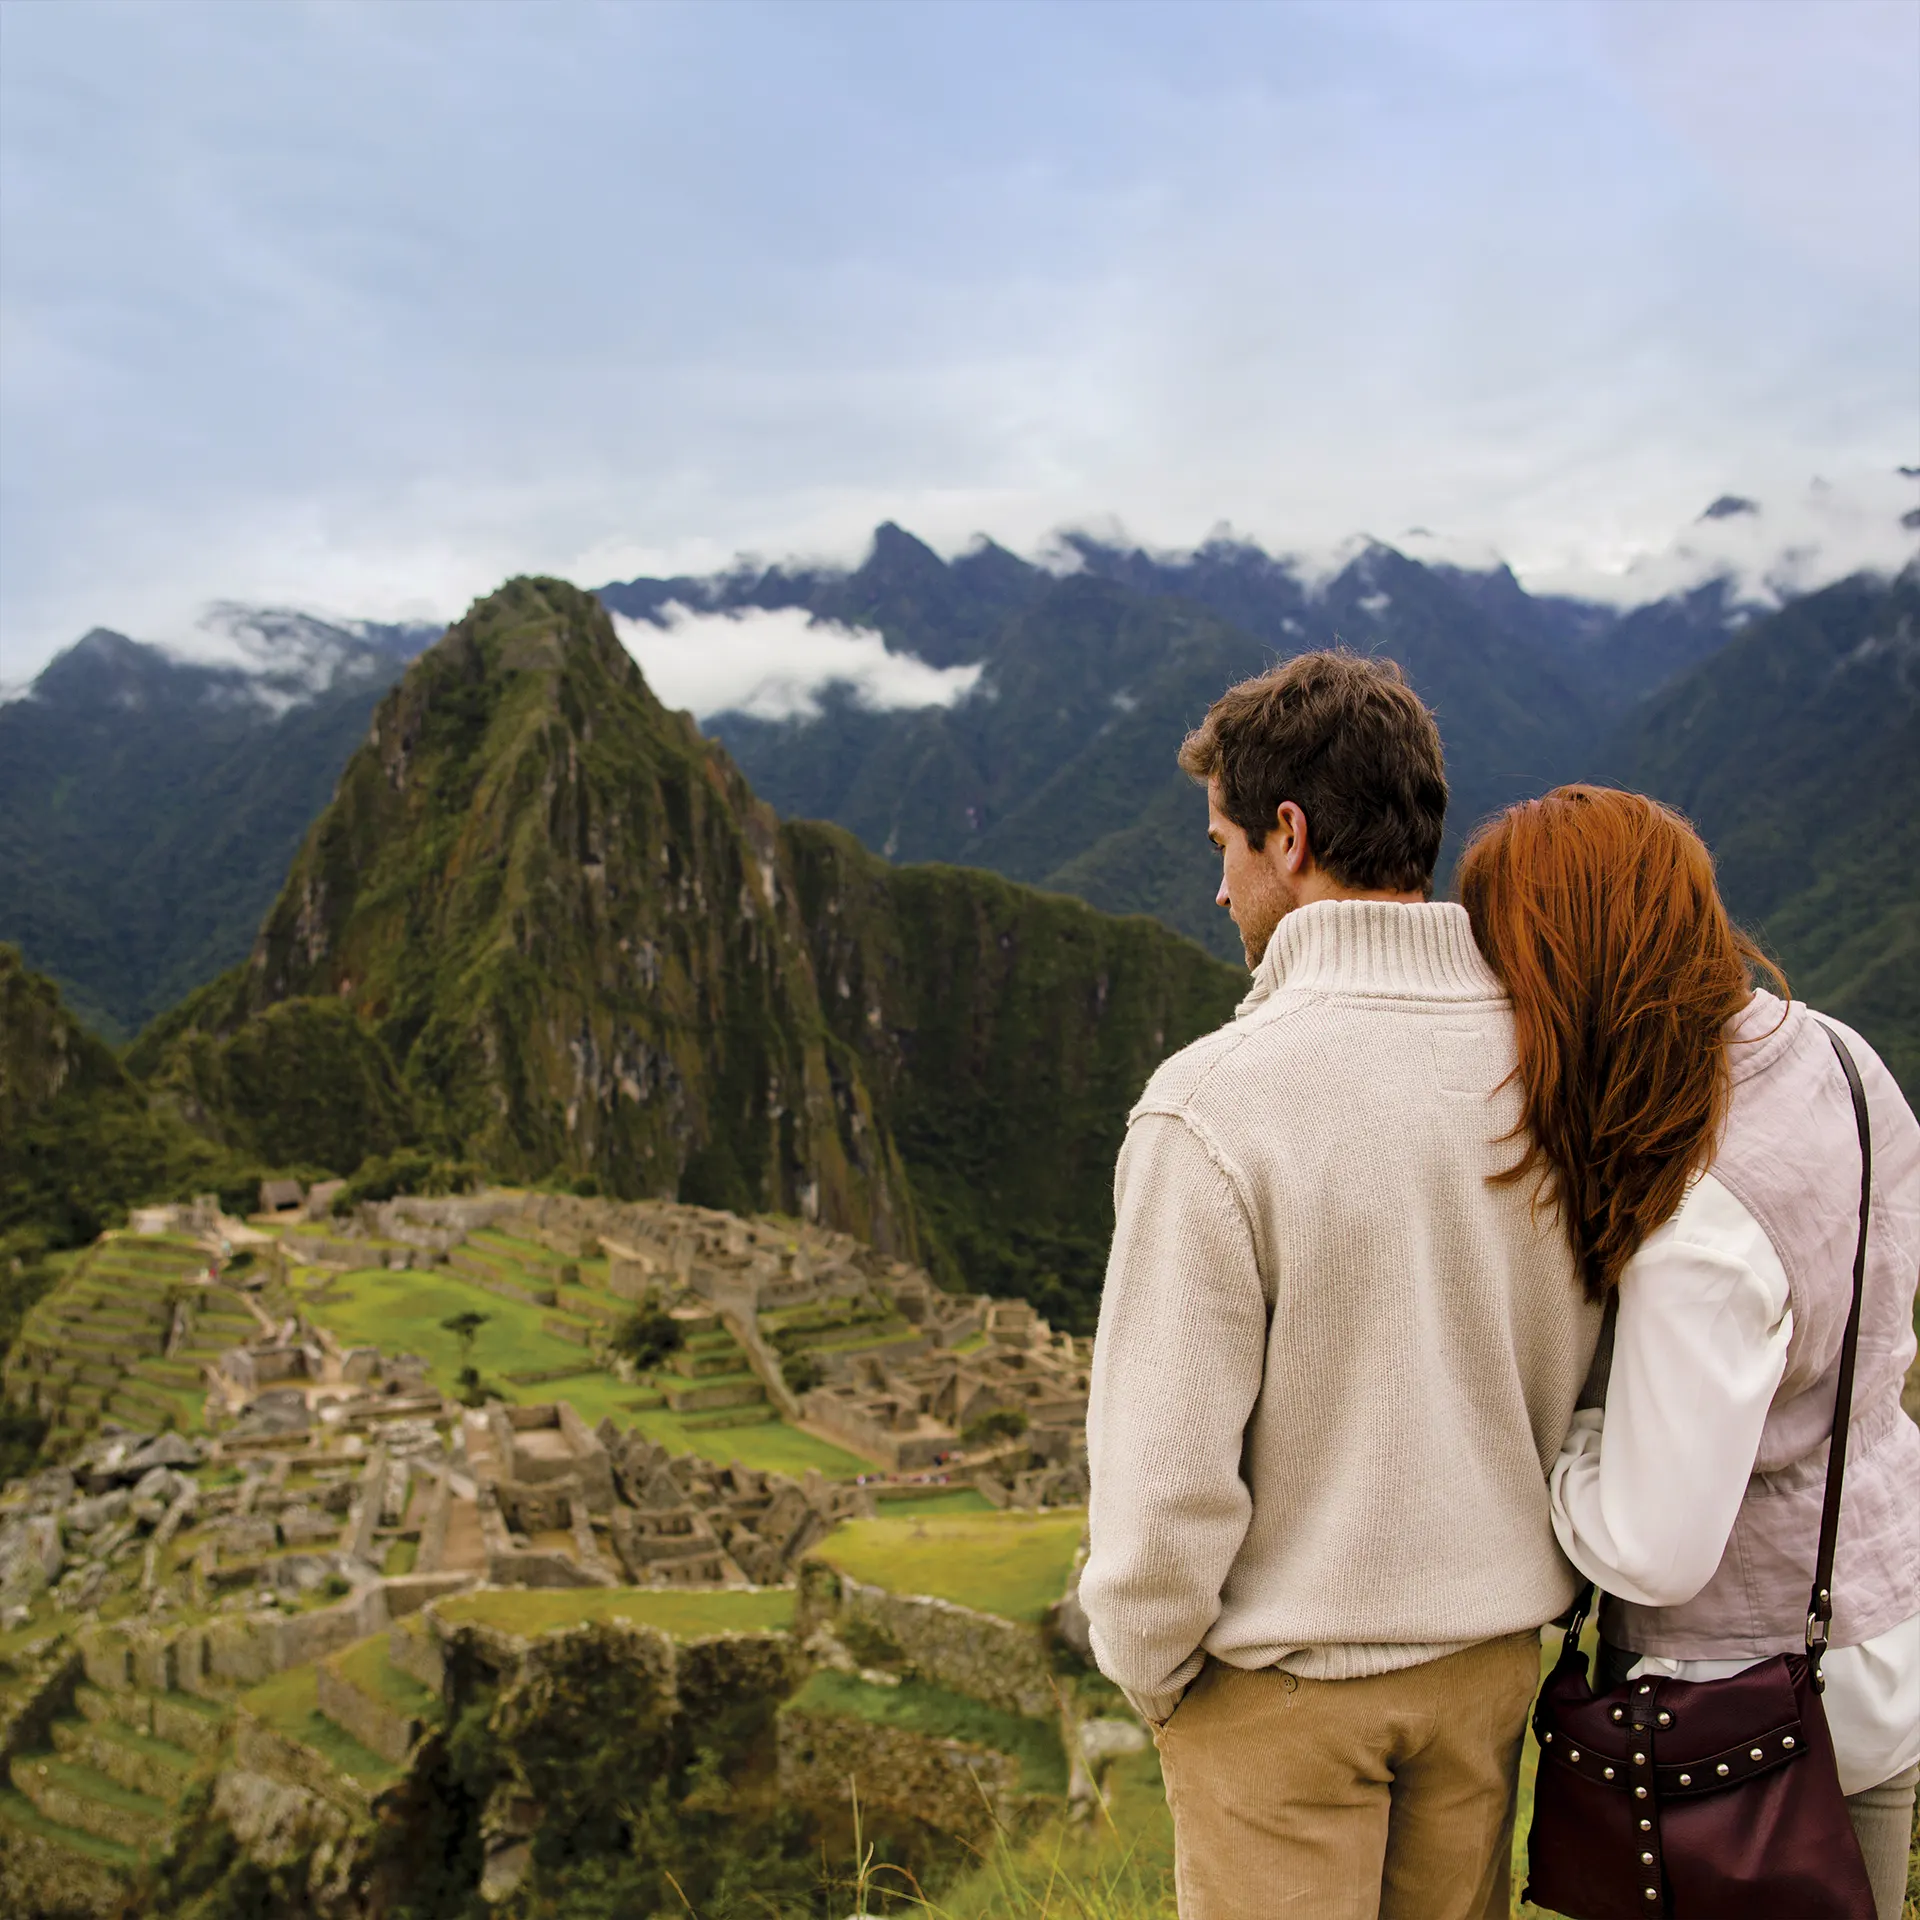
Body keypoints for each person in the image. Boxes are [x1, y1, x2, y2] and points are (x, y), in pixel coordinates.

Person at [1079, 653, 1603, 1920]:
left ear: (1290, 834)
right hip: (1488, 1676)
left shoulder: (1213, 1105)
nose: (1219, 887)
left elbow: (1164, 1477)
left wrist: (1155, 1673)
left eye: (1224, 846)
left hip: (1285, 1697)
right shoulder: (1551, 1073)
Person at [1457, 785, 1920, 1920]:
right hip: (1889, 1623)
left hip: (1743, 1706)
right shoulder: (1840, 1057)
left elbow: (1653, 1548)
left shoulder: (1699, 1223)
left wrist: (1567, 1441)